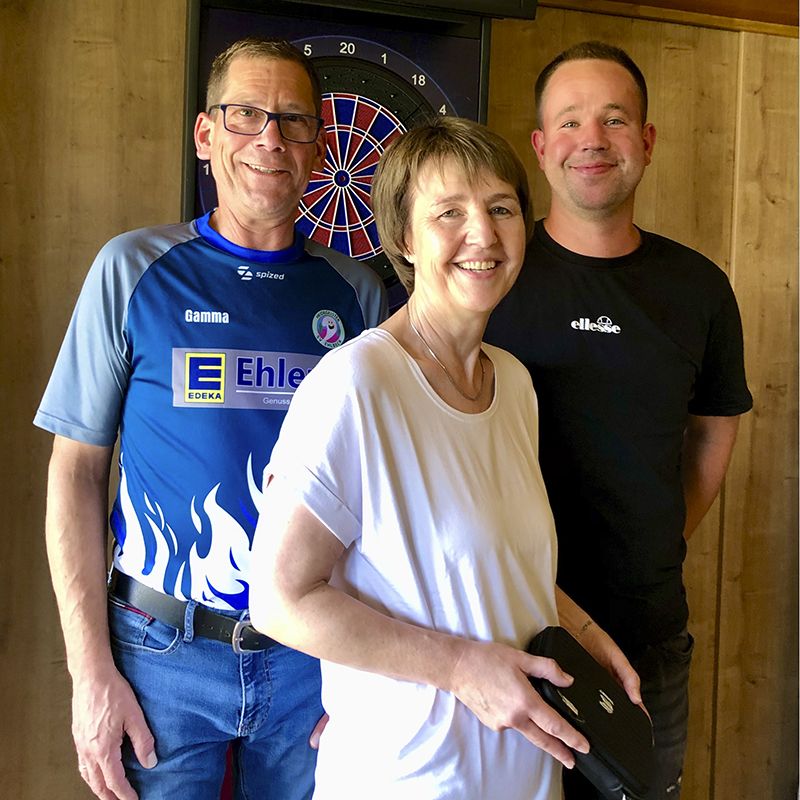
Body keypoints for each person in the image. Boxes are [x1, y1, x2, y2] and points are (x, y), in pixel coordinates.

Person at [248, 115, 641, 800]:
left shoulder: (513, 385)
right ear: (404, 237)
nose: (482, 234)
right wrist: (459, 668)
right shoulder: (357, 384)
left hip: (523, 776)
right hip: (407, 778)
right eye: (449, 213)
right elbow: (279, 601)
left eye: (501, 209)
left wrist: (583, 632)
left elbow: (489, 566)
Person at [34, 37, 386, 800]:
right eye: (245, 114)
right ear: (204, 134)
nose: (270, 138)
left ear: (319, 147)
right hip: (158, 654)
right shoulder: (132, 270)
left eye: (293, 120)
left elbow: (381, 494)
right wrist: (89, 671)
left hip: (312, 660)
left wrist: (365, 671)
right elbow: (76, 474)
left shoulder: (359, 295)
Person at [484, 41, 753, 799]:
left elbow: (713, 428)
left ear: (647, 140)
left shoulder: (699, 288)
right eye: (570, 122)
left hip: (647, 635)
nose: (592, 140)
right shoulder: (490, 275)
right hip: (506, 631)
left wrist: (660, 534)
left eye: (615, 119)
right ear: (541, 146)